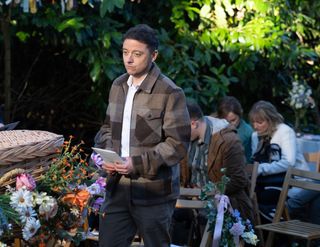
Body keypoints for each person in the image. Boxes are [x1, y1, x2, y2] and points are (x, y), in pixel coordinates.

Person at [92, 24, 191, 247]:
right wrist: (108, 158)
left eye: (137, 54)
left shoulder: (170, 91)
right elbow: (107, 128)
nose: (129, 59)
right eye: (125, 52)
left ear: (153, 55)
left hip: (153, 191)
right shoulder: (118, 85)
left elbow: (178, 145)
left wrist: (136, 164)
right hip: (117, 186)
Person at [180, 101, 254, 222]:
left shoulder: (228, 141)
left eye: (180, 128)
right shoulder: (188, 139)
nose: (178, 133)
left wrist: (205, 192)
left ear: (193, 124)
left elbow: (238, 180)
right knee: (164, 211)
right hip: (191, 199)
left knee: (205, 216)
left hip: (222, 202)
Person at [249, 100, 320, 224]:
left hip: (294, 180)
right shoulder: (256, 136)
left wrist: (261, 169)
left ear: (271, 120)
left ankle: (285, 211)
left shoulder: (284, 131)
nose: (255, 126)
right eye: (253, 122)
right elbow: (256, 160)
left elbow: (289, 163)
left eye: (260, 122)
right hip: (269, 181)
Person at [217, 96, 253, 163]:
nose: (230, 124)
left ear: (240, 114)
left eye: (233, 120)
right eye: (226, 121)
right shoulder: (216, 129)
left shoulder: (247, 132)